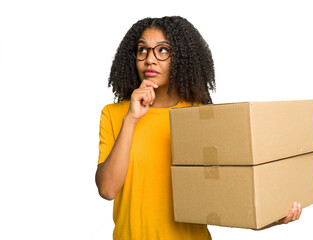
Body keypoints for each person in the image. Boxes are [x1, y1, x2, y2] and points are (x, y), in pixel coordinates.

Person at [95, 16, 301, 240]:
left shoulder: (200, 116)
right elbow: (107, 190)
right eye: (142, 50)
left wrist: (272, 217)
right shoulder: (114, 115)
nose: (150, 59)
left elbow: (226, 198)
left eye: (163, 50)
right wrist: (132, 119)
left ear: (183, 58)